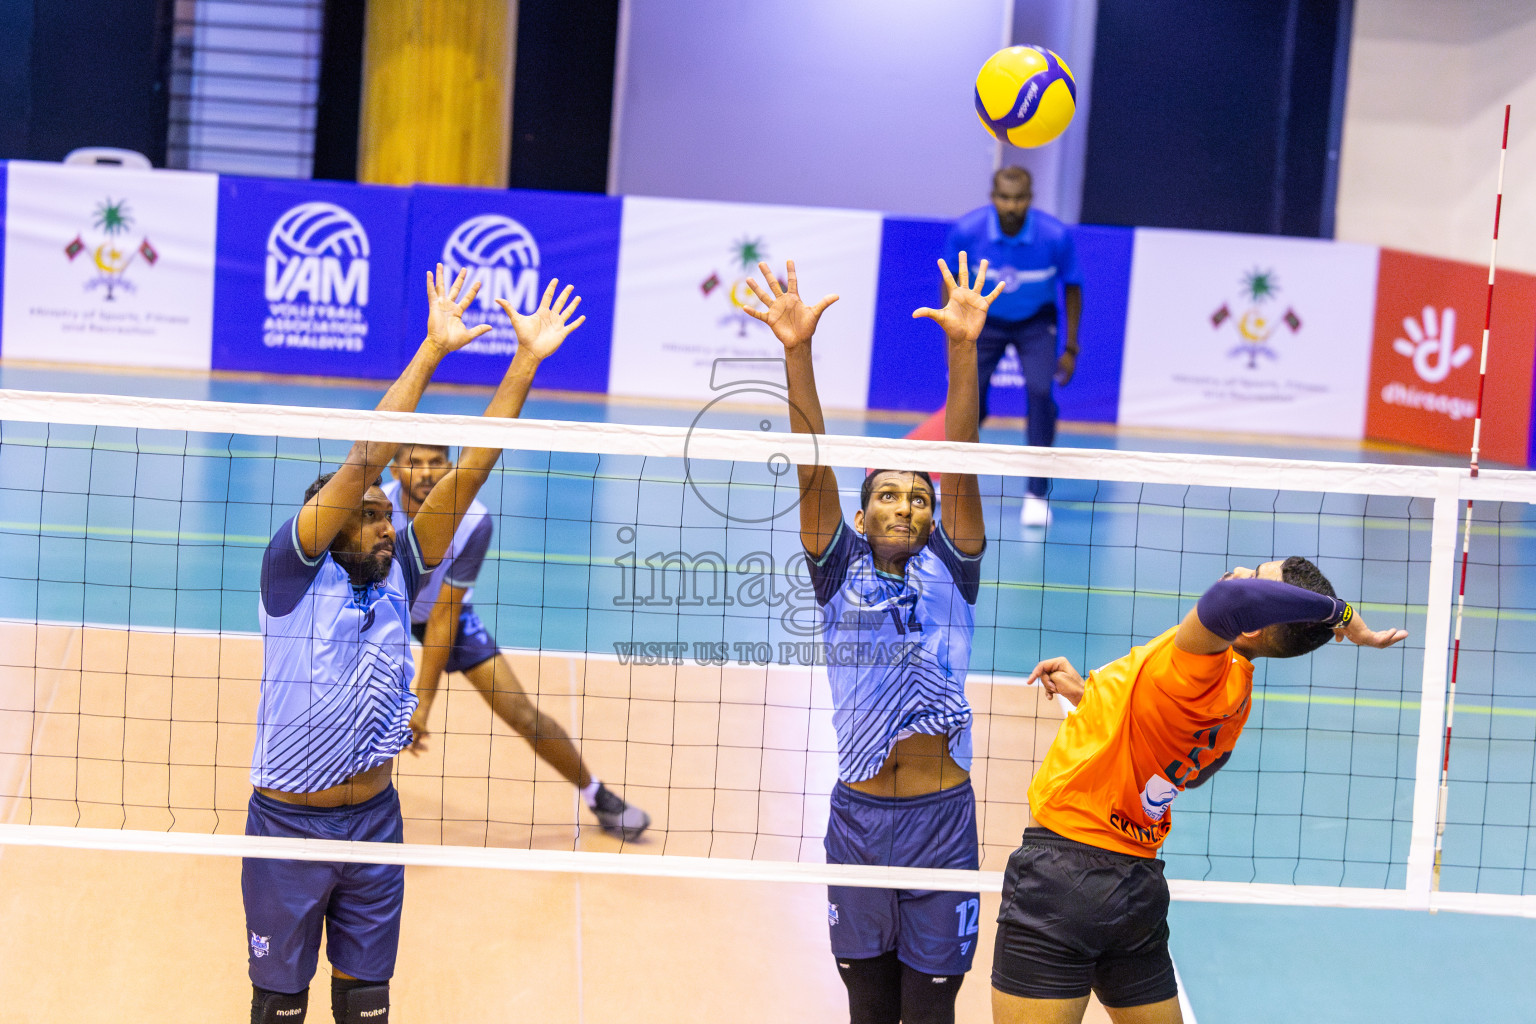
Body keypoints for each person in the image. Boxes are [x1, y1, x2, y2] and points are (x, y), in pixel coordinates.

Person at [244, 265, 585, 1024]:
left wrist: (524, 363)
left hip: (375, 822)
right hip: (288, 828)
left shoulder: (400, 566)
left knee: (367, 1002)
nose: (386, 522)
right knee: (279, 1006)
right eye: (368, 515)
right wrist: (432, 351)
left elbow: (474, 468)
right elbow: (366, 460)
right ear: (330, 526)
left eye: (385, 514)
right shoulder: (292, 574)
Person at [743, 254, 1003, 1024]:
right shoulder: (836, 568)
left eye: (919, 498)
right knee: (867, 1008)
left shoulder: (954, 567)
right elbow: (811, 463)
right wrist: (796, 352)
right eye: (888, 494)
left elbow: (962, 457)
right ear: (861, 517)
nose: (906, 506)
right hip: (857, 825)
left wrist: (962, 351)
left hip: (941, 825)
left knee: (929, 1014)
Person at [991, 558, 1409, 1024]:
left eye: (1256, 575)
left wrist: (1343, 616)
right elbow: (1184, 769)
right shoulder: (1235, 693)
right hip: (1135, 888)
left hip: (1062, 878)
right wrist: (1093, 700)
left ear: (1253, 624)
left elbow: (1228, 600)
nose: (1240, 570)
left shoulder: (1198, 664)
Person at [383, 442, 650, 839]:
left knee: (521, 713)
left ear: (450, 466)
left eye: (435, 462)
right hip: (385, 607)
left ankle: (597, 795)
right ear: (394, 469)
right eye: (413, 463)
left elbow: (444, 614)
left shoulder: (473, 520)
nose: (424, 473)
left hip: (442, 612)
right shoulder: (377, 508)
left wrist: (421, 703)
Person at [943, 165, 1082, 527]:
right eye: (1004, 198)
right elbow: (950, 284)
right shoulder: (967, 231)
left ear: (1030, 199)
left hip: (1036, 321)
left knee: (1040, 392)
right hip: (983, 321)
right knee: (969, 399)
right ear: (993, 197)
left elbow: (1072, 287)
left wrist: (1071, 347)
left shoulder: (1055, 236)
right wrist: (953, 339)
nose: (1011, 206)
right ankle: (953, 477)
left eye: (1019, 198)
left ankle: (1036, 493)